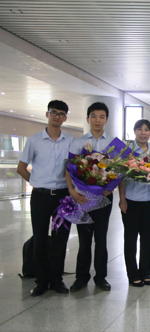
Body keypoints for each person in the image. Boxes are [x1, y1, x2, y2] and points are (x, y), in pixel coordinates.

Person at [17, 100, 74, 296]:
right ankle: (41, 281)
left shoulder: (70, 141)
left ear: (65, 118)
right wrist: (37, 182)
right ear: (47, 114)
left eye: (61, 113)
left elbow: (74, 169)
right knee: (40, 238)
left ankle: (56, 279)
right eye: (53, 112)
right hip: (40, 198)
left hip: (63, 199)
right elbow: (21, 168)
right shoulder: (34, 140)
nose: (57, 116)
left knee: (60, 239)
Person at [67, 102, 114, 292]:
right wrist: (72, 190)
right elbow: (69, 168)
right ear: (88, 119)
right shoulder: (78, 142)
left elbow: (118, 170)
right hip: (83, 199)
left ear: (106, 120)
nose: (97, 120)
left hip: (103, 198)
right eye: (93, 116)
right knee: (84, 240)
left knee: (101, 239)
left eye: (101, 117)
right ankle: (81, 277)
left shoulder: (112, 143)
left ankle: (101, 277)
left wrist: (111, 187)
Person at [118, 119, 150, 287]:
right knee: (130, 239)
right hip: (131, 201)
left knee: (147, 240)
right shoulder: (127, 150)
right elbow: (120, 176)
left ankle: (145, 273)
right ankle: (132, 274)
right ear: (134, 131)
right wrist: (122, 199)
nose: (143, 132)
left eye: (147, 129)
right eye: (140, 129)